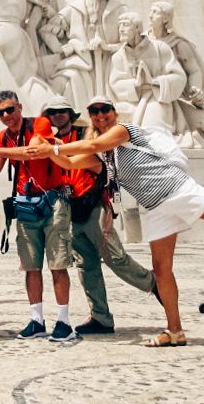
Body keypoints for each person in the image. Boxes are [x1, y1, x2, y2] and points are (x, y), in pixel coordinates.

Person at [27, 97, 204, 347]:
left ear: (114, 113)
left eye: (104, 110)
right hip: (156, 207)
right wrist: (46, 151)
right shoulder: (103, 155)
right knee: (162, 270)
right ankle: (175, 330)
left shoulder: (124, 130)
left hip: (178, 190)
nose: (100, 116)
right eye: (94, 112)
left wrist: (53, 146)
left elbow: (92, 145)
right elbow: (70, 162)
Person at [0, 91, 76, 343]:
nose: (6, 116)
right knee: (31, 264)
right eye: (0, 113)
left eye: (9, 110)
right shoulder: (3, 137)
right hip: (26, 202)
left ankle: (64, 321)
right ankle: (36, 319)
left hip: (53, 199)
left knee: (57, 262)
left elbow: (33, 152)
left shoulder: (39, 123)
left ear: (19, 107)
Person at [41, 97, 155, 336]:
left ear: (71, 114)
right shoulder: (52, 141)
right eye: (53, 112)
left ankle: (154, 284)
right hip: (72, 208)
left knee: (115, 258)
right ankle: (101, 317)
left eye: (62, 111)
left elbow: (89, 164)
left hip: (94, 205)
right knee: (86, 265)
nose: (58, 116)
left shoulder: (87, 135)